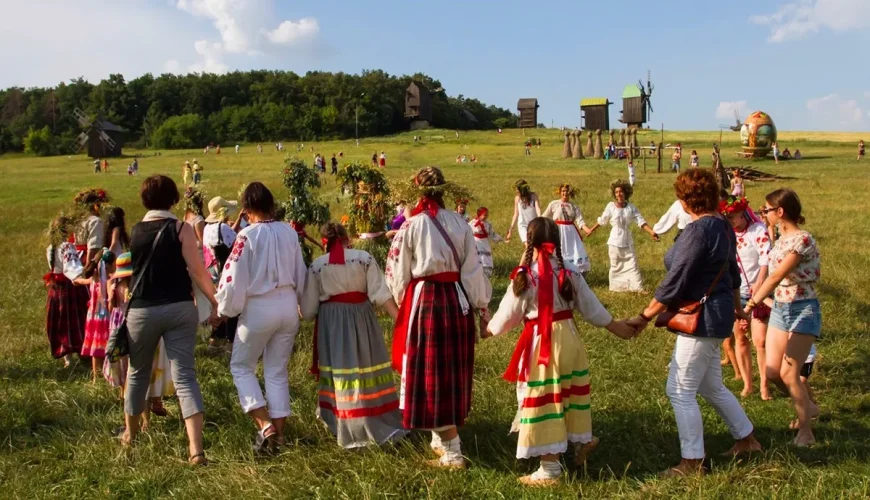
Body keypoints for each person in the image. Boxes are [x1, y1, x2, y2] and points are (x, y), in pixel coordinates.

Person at [628, 169, 762, 477]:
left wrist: (644, 316)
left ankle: (692, 461)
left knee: (679, 389)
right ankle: (747, 439)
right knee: (711, 385)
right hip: (719, 315)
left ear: (688, 200)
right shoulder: (723, 226)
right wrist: (738, 309)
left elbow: (676, 279)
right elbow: (733, 275)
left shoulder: (700, 230)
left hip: (702, 318)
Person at [485, 218, 637, 486]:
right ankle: (582, 441)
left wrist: (488, 329)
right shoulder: (570, 272)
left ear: (528, 241)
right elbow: (591, 307)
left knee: (545, 396)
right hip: (569, 339)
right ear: (557, 241)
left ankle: (550, 468)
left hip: (542, 343)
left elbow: (508, 314)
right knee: (567, 390)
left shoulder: (525, 276)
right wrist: (615, 326)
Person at [385, 166, 491, 469]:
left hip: (427, 302)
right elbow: (473, 270)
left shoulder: (411, 226)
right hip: (457, 301)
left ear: (418, 190)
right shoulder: (460, 223)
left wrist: (403, 303)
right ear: (444, 189)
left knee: (431, 371)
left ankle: (453, 451)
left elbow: (397, 272)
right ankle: (438, 437)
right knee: (450, 370)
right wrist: (482, 307)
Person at [123, 175, 218, 466]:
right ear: (174, 199)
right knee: (185, 377)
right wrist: (216, 302)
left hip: (142, 310)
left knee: (137, 374)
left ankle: (131, 435)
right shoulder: (181, 229)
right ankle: (196, 449)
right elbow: (198, 271)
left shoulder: (136, 231)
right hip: (178, 308)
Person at [216, 182, 307, 451]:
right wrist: (304, 302)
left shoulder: (246, 236)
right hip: (288, 304)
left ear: (246, 209)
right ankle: (278, 438)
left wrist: (224, 310)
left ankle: (264, 425)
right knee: (276, 371)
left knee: (241, 366)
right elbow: (300, 270)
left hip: (259, 307)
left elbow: (233, 278)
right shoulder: (289, 232)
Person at [301, 222, 406, 449]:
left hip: (333, 323)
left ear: (325, 242)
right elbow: (379, 292)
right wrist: (400, 319)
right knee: (365, 364)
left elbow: (308, 312)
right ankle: (374, 416)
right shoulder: (363, 258)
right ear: (347, 238)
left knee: (342, 369)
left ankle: (346, 420)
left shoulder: (318, 266)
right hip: (362, 318)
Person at [745, 188, 820, 447]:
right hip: (781, 308)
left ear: (780, 211)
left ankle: (806, 432)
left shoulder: (803, 240)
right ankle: (808, 405)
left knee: (790, 374)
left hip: (803, 309)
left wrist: (751, 304)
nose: (762, 213)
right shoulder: (779, 238)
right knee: (773, 371)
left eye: (766, 210)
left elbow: (776, 276)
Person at [722, 196, 771, 399]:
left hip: (757, 294)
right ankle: (747, 384)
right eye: (728, 218)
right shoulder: (727, 236)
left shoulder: (757, 231)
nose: (732, 221)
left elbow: (765, 257)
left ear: (742, 214)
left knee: (760, 341)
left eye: (733, 217)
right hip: (737, 293)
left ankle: (765, 386)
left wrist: (760, 282)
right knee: (741, 339)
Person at [586, 180, 658, 292]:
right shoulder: (611, 206)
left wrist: (651, 232)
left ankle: (638, 288)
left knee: (632, 264)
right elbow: (603, 220)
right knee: (615, 265)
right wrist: (591, 230)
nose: (619, 194)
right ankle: (616, 288)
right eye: (616, 192)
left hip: (627, 240)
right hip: (614, 240)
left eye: (621, 192)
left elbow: (641, 221)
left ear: (626, 193)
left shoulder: (631, 207)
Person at [44, 213, 90, 366]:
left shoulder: (51, 247)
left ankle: (67, 357)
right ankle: (81, 351)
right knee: (74, 320)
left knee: (60, 321)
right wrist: (84, 276)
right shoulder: (67, 247)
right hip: (70, 288)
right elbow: (72, 269)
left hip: (55, 289)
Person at [203, 196, 244, 353]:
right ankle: (230, 343)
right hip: (226, 273)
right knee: (231, 308)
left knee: (219, 307)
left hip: (212, 273)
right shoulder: (223, 228)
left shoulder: (208, 228)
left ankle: (214, 341)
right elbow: (236, 244)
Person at [542, 184, 591, 274]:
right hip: (558, 231)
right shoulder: (554, 204)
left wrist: (586, 229)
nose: (565, 193)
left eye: (567, 191)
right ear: (560, 192)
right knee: (558, 250)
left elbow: (580, 220)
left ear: (570, 193)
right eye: (563, 191)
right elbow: (544, 216)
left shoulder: (574, 206)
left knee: (574, 251)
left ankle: (574, 272)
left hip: (571, 233)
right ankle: (557, 271)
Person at [469, 207, 503, 278]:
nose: (486, 217)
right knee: (478, 257)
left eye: (487, 215)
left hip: (485, 242)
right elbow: (467, 231)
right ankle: (477, 273)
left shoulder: (488, 224)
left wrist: (501, 239)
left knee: (486, 259)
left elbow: (492, 234)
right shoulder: (473, 223)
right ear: (479, 214)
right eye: (485, 215)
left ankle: (486, 273)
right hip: (476, 242)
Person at [506, 180, 541, 246]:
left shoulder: (533, 196)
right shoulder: (517, 198)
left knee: (534, 246)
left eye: (518, 190)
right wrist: (511, 229)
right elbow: (516, 214)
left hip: (533, 224)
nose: (516, 192)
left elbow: (537, 208)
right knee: (528, 246)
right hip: (522, 225)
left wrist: (540, 220)